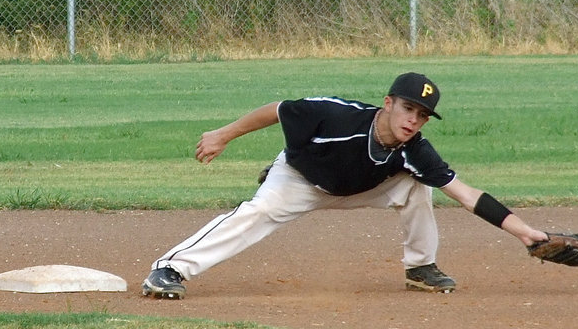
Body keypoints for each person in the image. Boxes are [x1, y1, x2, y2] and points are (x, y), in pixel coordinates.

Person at [142, 72, 549, 299]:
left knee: (418, 185)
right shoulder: (338, 116)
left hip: (361, 188)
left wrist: (527, 234)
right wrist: (224, 134)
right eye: (408, 108)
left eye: (423, 115)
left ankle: (421, 267)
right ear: (388, 103)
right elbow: (278, 110)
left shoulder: (416, 150)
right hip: (301, 178)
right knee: (258, 212)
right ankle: (169, 268)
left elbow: (466, 194)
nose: (413, 120)